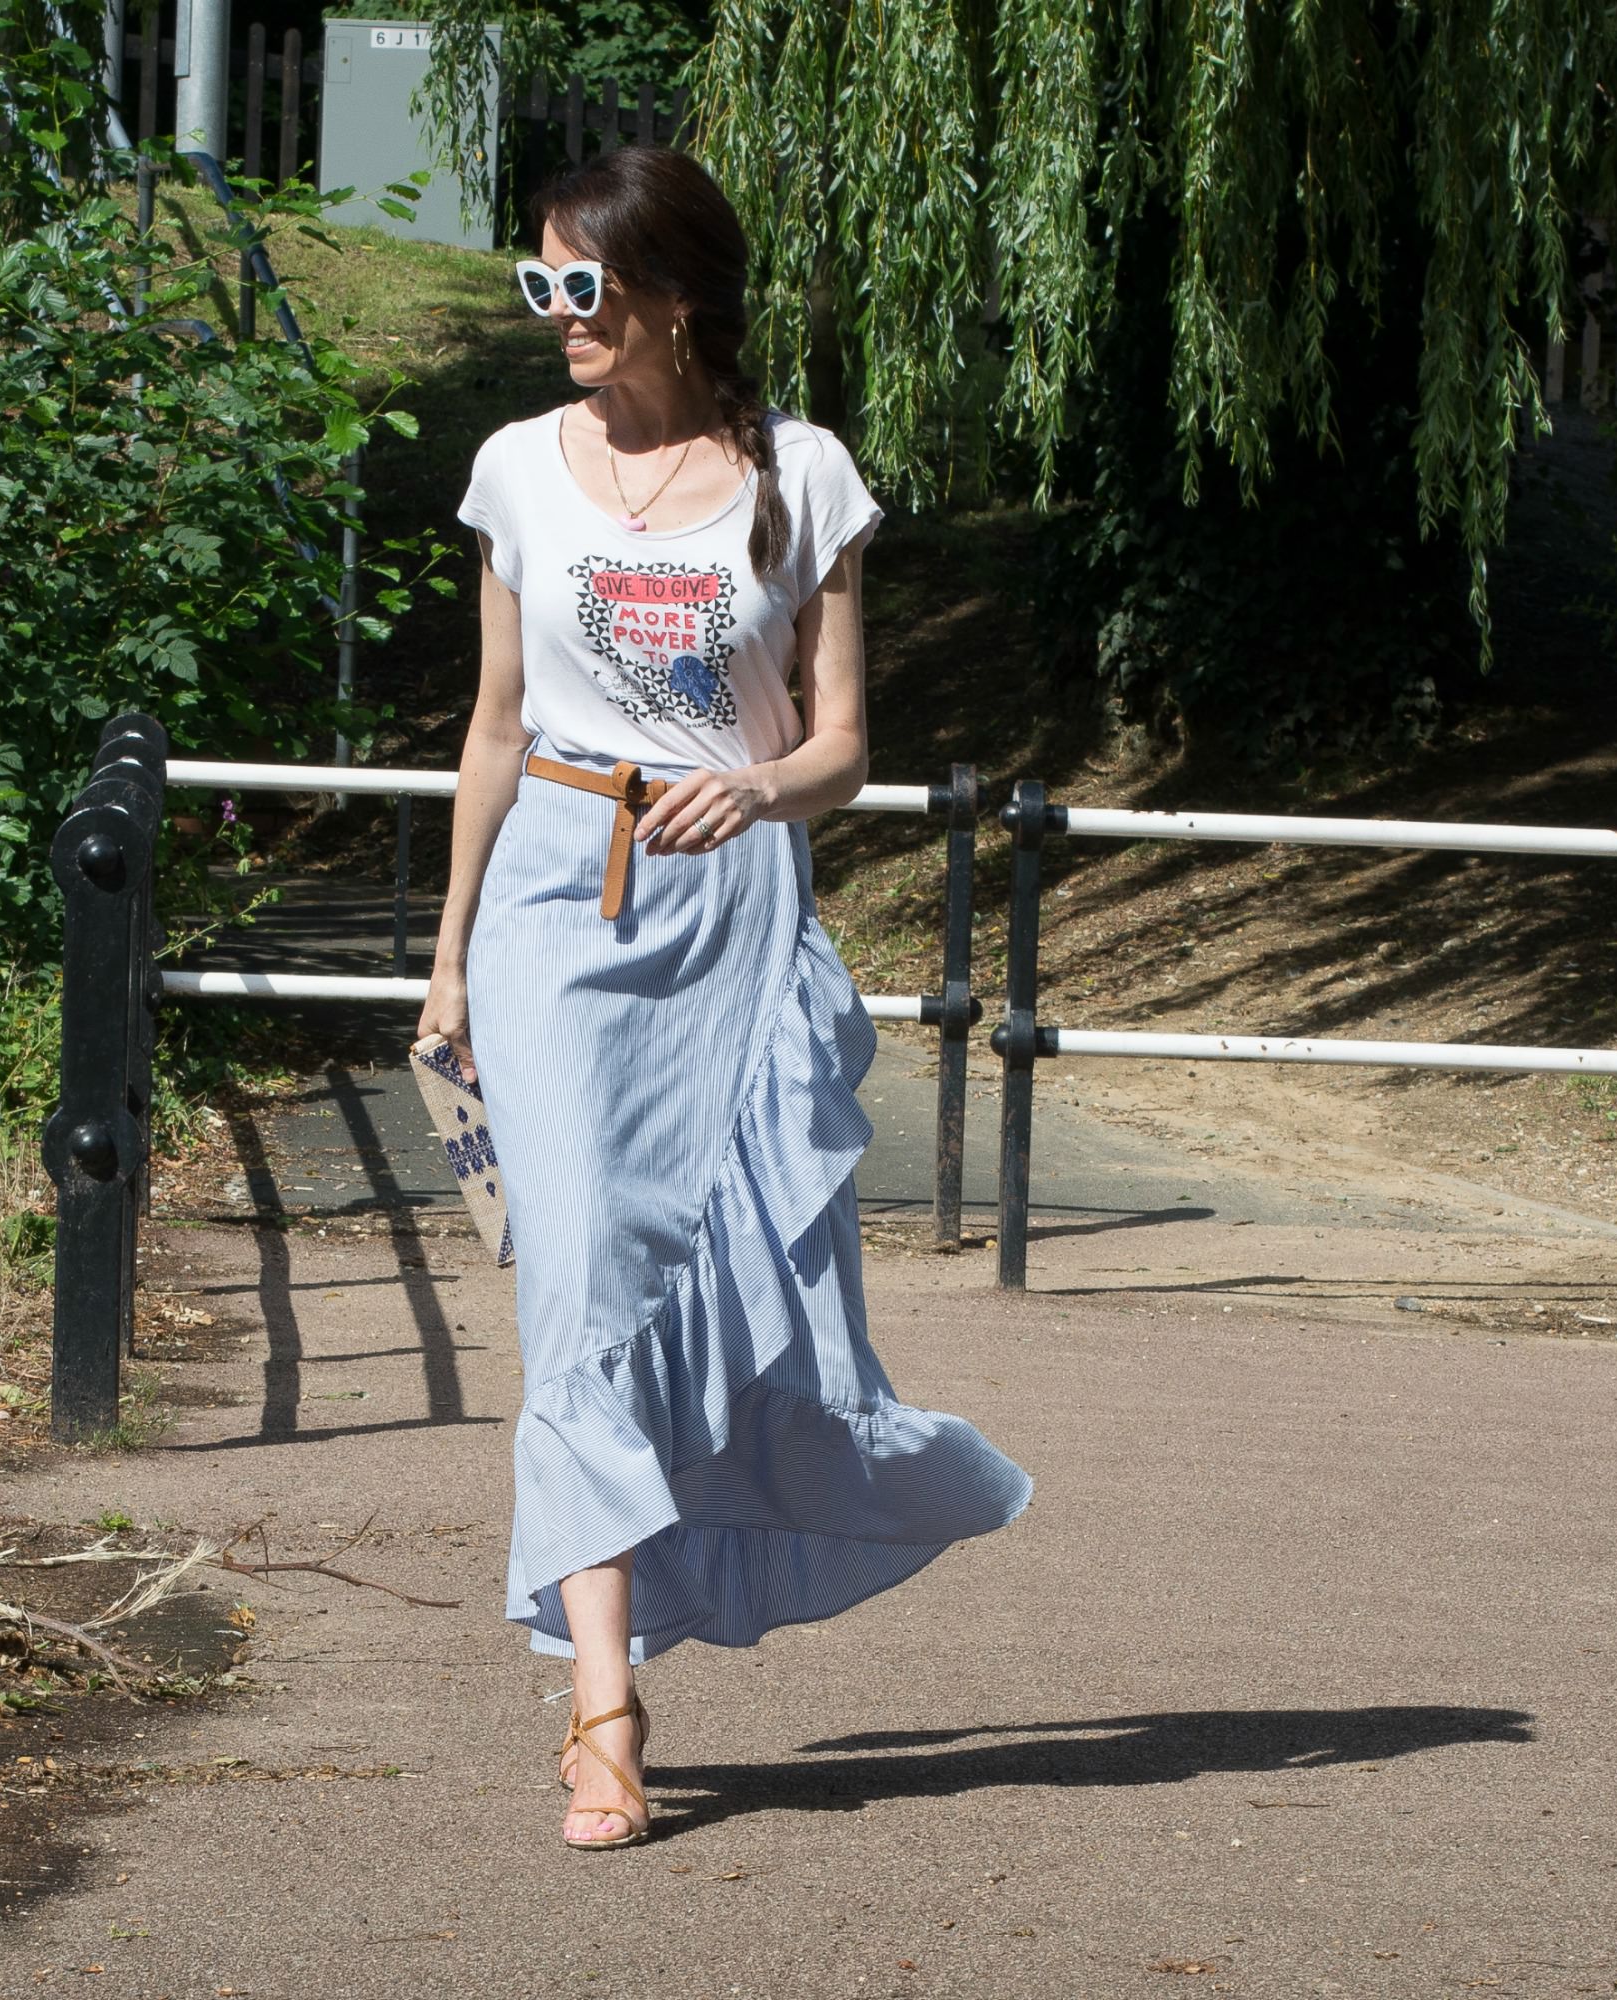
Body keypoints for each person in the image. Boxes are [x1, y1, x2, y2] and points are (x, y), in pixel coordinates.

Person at [413, 146, 1033, 1852]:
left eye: (581, 288)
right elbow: (489, 728)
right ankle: (600, 1711)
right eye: (535, 284)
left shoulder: (802, 476)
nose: (554, 318)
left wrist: (757, 794)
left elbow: (841, 745)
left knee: (707, 1288)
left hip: (732, 918)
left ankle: (699, 1579)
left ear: (674, 295)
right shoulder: (514, 471)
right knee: (580, 1285)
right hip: (550, 892)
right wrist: (453, 956)